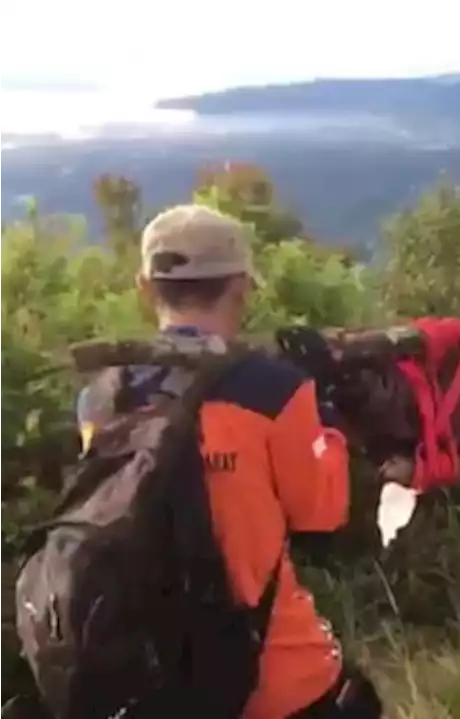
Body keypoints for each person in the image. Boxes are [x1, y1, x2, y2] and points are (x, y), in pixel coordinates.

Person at [74, 205, 382, 717]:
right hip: (275, 676)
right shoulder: (272, 389)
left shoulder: (100, 401)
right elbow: (321, 514)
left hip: (148, 677)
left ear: (145, 288)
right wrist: (323, 408)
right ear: (241, 287)